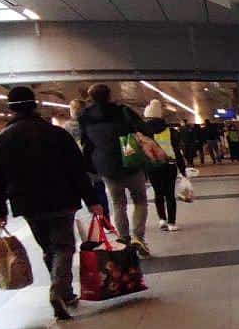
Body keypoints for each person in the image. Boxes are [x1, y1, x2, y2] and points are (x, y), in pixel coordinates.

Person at [0, 87, 104, 320]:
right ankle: (59, 291)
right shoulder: (57, 134)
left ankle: (64, 292)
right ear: (35, 105)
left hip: (28, 204)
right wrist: (92, 200)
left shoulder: (2, 139)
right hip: (62, 199)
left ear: (10, 108)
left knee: (49, 248)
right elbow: (77, 170)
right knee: (64, 247)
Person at [78, 83, 152, 256]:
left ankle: (125, 240)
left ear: (91, 98)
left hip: (106, 166)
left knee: (118, 203)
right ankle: (138, 238)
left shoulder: (85, 116)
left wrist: (91, 166)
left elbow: (85, 143)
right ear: (110, 95)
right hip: (130, 160)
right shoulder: (123, 111)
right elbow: (144, 129)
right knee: (140, 200)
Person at [141, 100, 186, 232]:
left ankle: (162, 220)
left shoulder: (143, 133)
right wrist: (182, 170)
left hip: (152, 166)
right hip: (169, 165)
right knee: (170, 194)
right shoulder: (171, 131)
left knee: (158, 193)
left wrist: (143, 172)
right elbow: (177, 152)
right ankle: (172, 223)